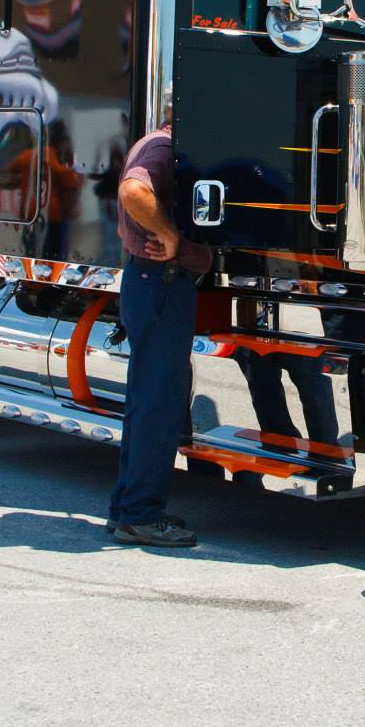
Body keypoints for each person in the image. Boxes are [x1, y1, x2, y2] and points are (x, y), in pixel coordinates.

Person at [105, 119, 210, 547]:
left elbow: (122, 216)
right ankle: (142, 516)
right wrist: (167, 232)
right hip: (163, 282)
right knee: (159, 404)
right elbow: (133, 192)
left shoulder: (154, 143)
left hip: (151, 282)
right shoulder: (165, 148)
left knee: (146, 401)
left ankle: (127, 510)